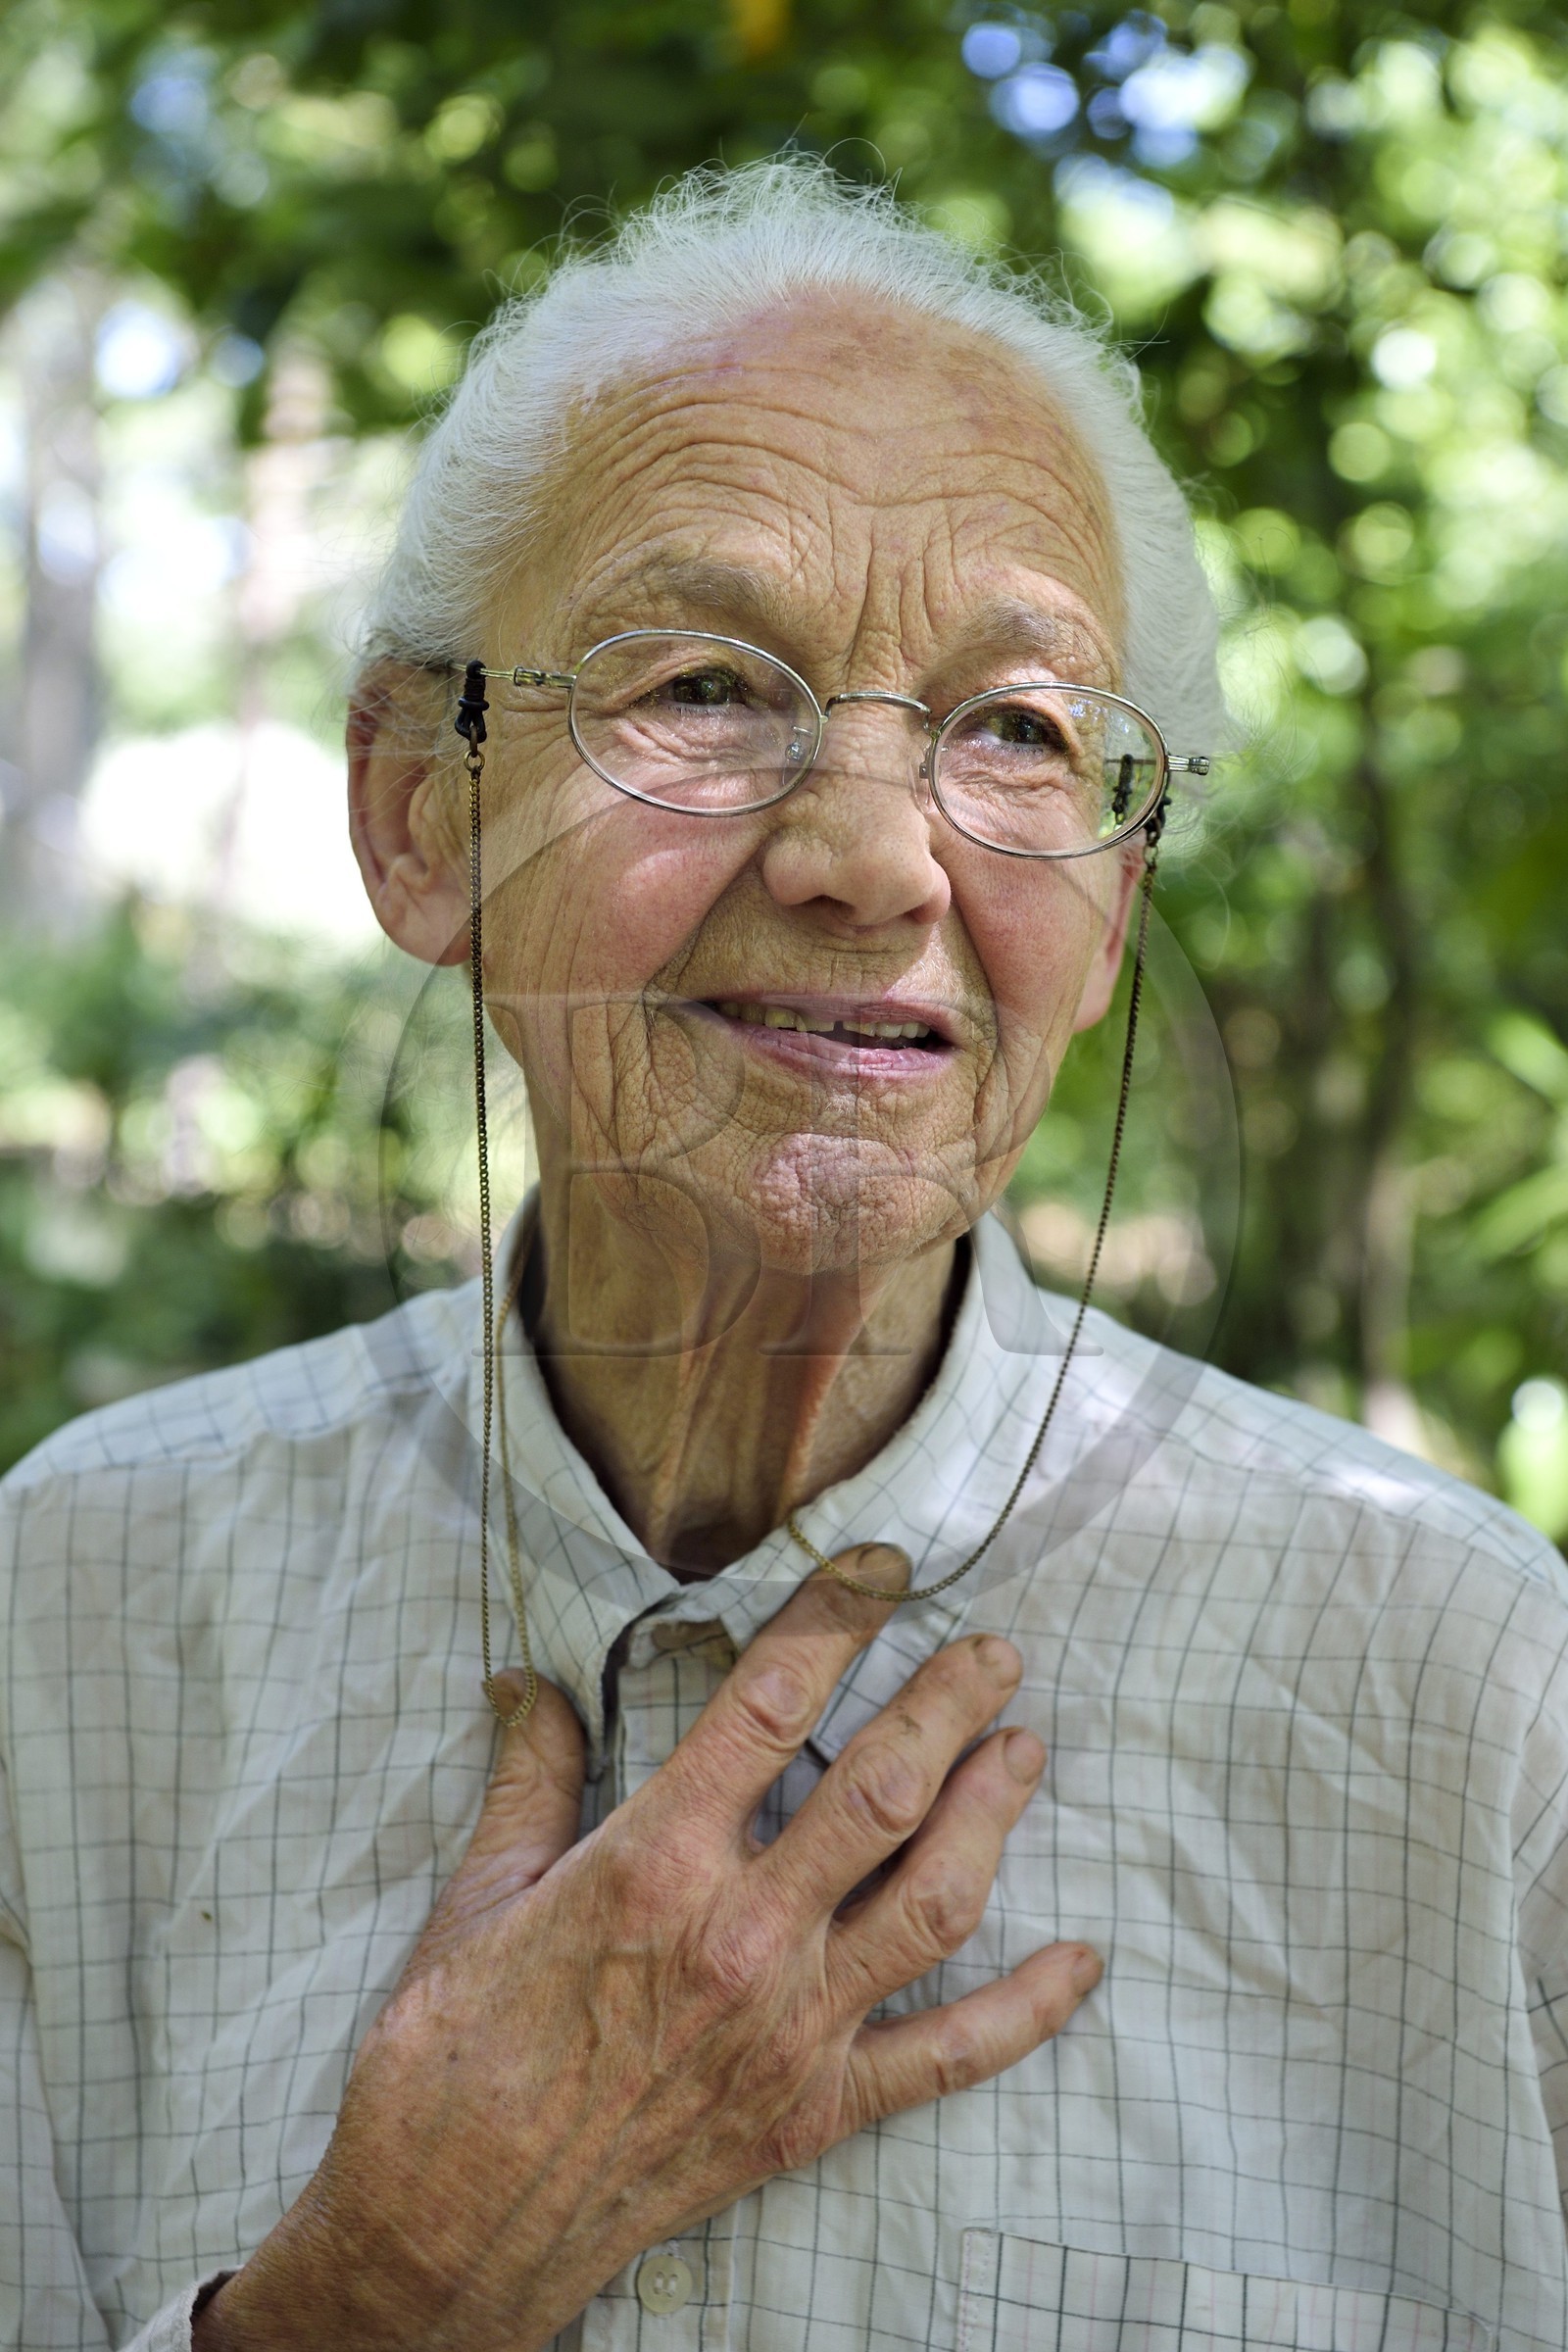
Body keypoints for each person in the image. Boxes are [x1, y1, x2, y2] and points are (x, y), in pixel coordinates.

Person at [4, 161, 1566, 2352]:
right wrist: (373, 2301)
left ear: (1110, 907)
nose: (866, 859)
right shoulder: (64, 1618)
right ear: (419, 814)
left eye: (1019, 731)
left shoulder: (1478, 1693)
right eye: (706, 690)